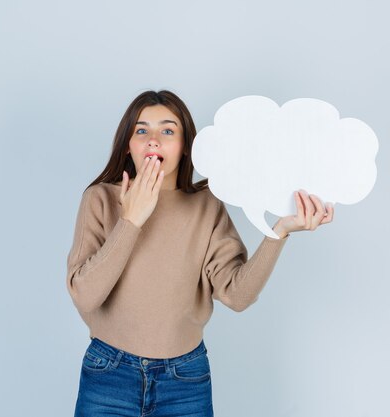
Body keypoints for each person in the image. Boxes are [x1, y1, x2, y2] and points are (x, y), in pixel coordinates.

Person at [66, 90, 334, 417]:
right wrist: (131, 219)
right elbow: (85, 296)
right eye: (141, 130)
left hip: (184, 380)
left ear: (185, 146)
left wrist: (279, 231)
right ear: (128, 145)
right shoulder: (101, 199)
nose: (153, 140)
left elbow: (237, 296)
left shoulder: (205, 205)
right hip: (109, 373)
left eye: (167, 130)